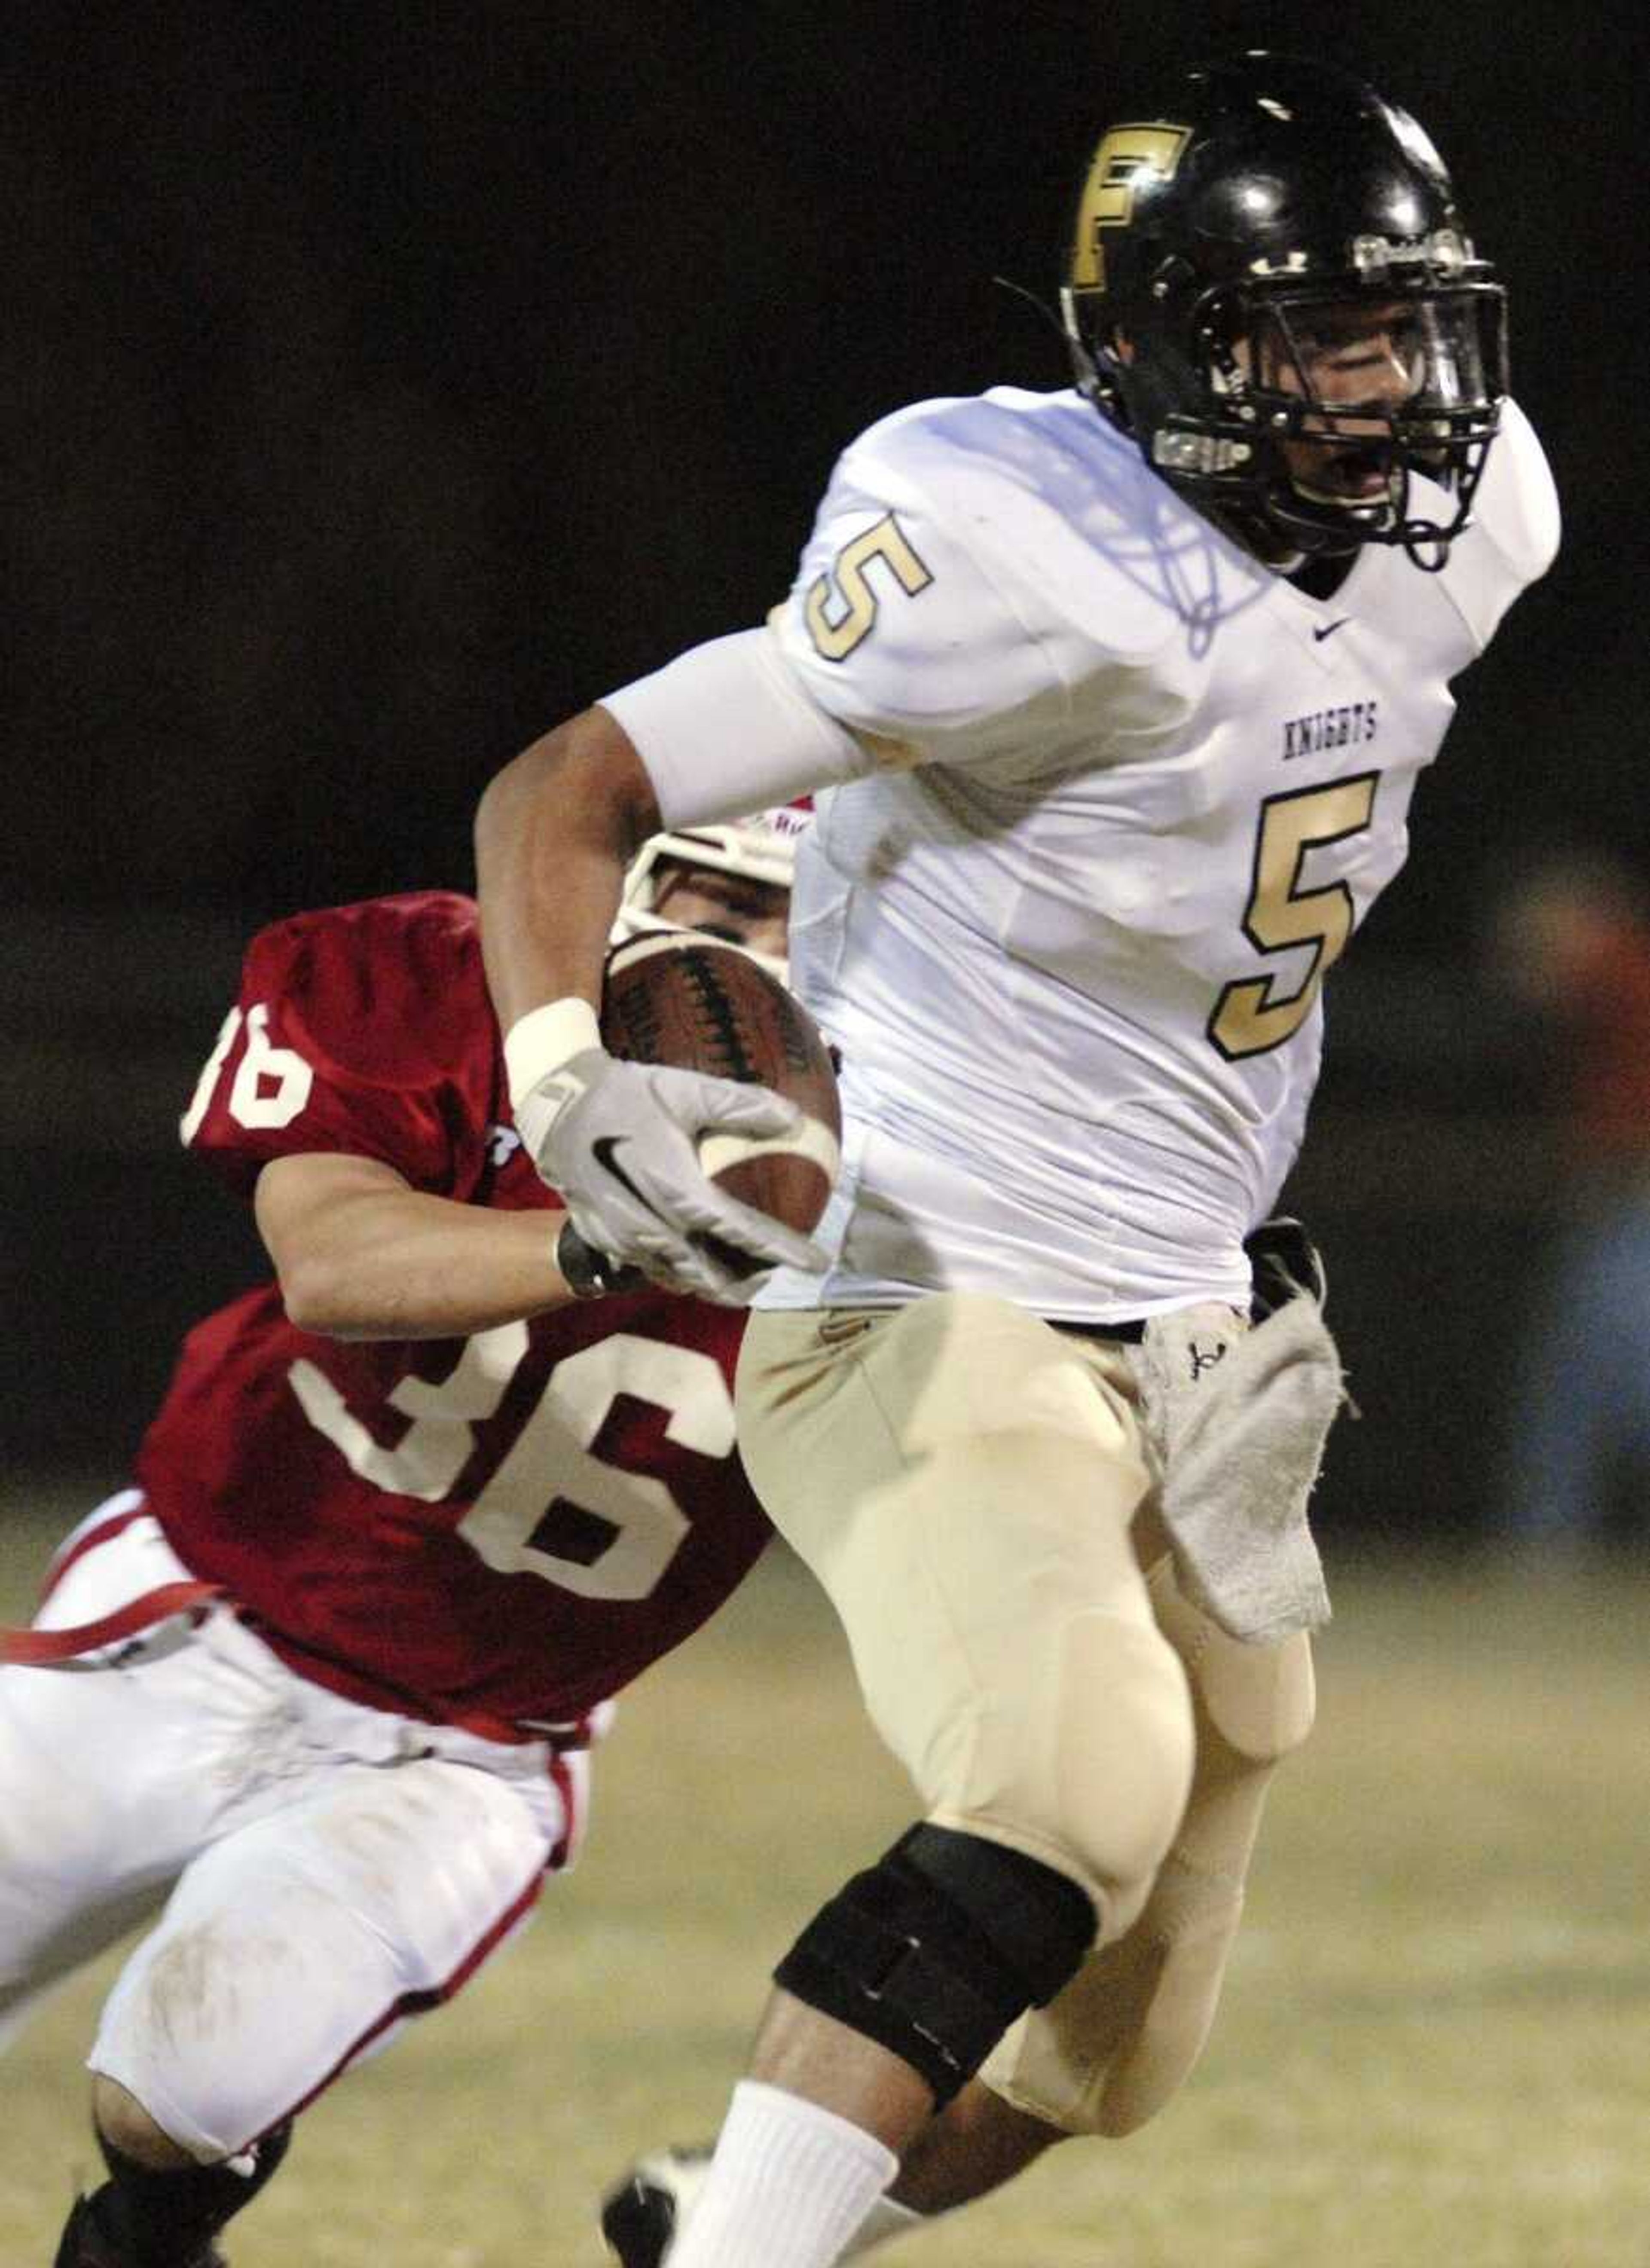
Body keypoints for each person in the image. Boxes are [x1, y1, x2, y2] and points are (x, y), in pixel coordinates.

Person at [472, 50, 1560, 2268]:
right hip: (913, 1281)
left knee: (1107, 2053)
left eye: (1404, 326)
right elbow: (566, 779)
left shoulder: (1482, 518)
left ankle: (744, 2221)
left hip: (1191, 1322)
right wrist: (570, 1063)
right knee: (1068, 1780)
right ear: (1165, 349)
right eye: (1323, 338)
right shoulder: (1016, 548)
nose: (1392, 389)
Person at [0, 814, 800, 2268]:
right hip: (196, 1612)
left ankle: (145, 2239)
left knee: (188, 2080)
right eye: (725, 904)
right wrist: (602, 1238)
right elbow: (334, 1256)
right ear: (631, 888)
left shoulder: (938, 1184)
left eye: (809, 923)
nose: (755, 968)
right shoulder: (431, 985)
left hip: (466, 1746)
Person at [1489, 853, 1650, 1552]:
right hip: (1619, 1206)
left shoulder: (1623, 972)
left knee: (1584, 1382)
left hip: (1634, 1206)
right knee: (1580, 1382)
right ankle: (1546, 1543)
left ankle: (1545, 1544)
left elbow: (1541, 964)